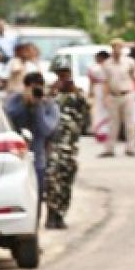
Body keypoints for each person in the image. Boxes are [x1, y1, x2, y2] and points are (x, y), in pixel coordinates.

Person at [44, 59, 90, 230]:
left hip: (70, 146)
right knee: (52, 180)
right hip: (53, 145)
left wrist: (75, 91)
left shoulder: (77, 94)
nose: (63, 78)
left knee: (66, 180)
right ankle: (51, 214)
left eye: (66, 74)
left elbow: (86, 110)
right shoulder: (50, 94)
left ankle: (61, 214)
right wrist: (53, 90)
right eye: (60, 74)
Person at [5, 72, 60, 198]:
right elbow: (7, 122)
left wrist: (38, 106)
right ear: (25, 87)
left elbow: (46, 130)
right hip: (16, 158)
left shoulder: (49, 104)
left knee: (37, 197)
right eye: (32, 88)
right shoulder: (15, 100)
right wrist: (23, 103)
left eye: (39, 87)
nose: (36, 91)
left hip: (39, 159)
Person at [101, 38, 135, 157]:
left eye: (119, 47)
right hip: (113, 95)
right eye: (115, 47)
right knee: (113, 124)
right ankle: (109, 149)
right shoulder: (107, 64)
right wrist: (105, 97)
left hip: (127, 94)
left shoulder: (129, 62)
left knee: (130, 123)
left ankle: (130, 147)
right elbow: (105, 82)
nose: (117, 50)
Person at [88, 51, 110, 138]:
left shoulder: (95, 68)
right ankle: (102, 131)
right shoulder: (96, 68)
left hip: (103, 89)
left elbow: (91, 82)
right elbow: (91, 81)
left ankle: (102, 131)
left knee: (101, 111)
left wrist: (91, 91)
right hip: (100, 90)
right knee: (100, 110)